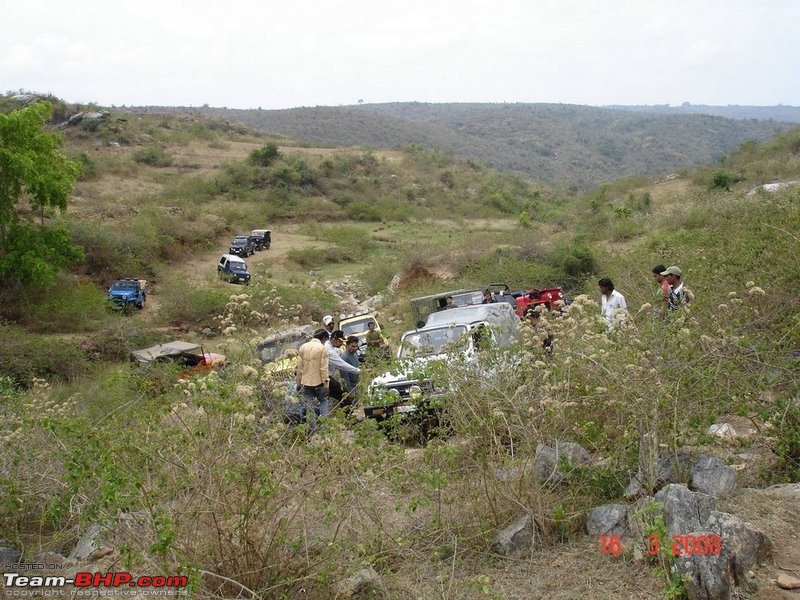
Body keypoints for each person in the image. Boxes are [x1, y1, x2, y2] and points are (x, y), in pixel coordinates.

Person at [296, 329, 330, 436]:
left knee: (309, 407)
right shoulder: (322, 348)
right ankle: (324, 429)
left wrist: (298, 383)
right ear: (324, 338)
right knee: (324, 401)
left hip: (305, 383)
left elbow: (299, 368)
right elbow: (323, 369)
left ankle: (314, 430)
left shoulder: (303, 347)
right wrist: (326, 385)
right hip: (319, 382)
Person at [324, 329, 360, 408]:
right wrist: (358, 371)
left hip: (327, 376)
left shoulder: (331, 347)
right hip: (324, 377)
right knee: (345, 396)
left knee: (341, 396)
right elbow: (341, 364)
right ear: (335, 339)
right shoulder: (329, 350)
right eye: (340, 341)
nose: (342, 344)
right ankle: (348, 415)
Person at [340, 335, 361, 406]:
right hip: (351, 387)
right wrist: (349, 390)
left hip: (357, 385)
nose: (355, 348)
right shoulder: (344, 357)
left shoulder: (355, 354)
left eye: (356, 346)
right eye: (353, 346)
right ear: (347, 345)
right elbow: (344, 376)